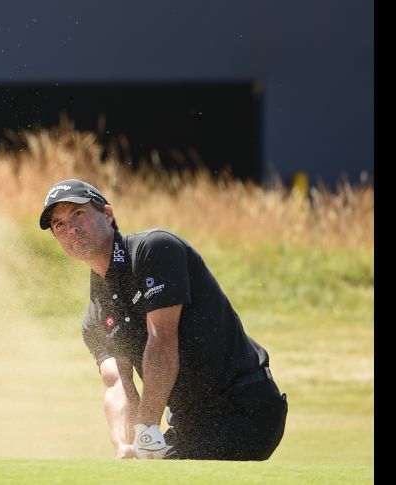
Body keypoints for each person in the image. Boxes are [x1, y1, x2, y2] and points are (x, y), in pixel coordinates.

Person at [39, 178, 288, 460]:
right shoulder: (95, 316)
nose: (70, 227)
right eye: (58, 224)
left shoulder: (155, 250)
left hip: (244, 408)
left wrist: (146, 426)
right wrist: (126, 445)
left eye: (78, 213)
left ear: (108, 215)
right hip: (189, 423)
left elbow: (162, 339)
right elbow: (117, 384)